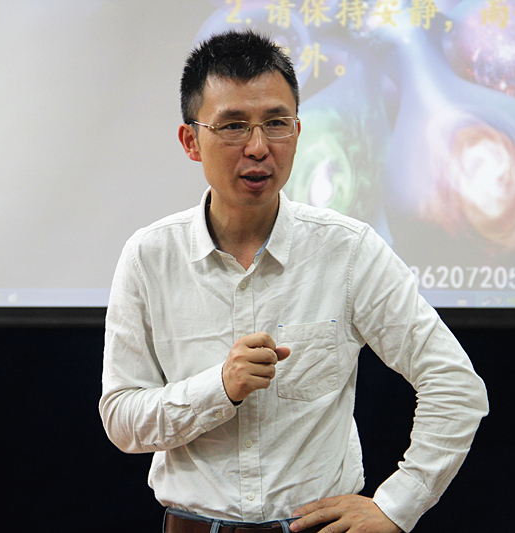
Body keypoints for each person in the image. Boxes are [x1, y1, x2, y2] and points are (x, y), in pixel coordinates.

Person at [100, 29, 488, 533]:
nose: (259, 147)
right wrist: (220, 388)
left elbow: (456, 385)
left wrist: (397, 506)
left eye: (276, 123)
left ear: (298, 131)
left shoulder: (348, 249)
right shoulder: (150, 257)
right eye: (233, 126)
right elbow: (122, 420)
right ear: (191, 141)